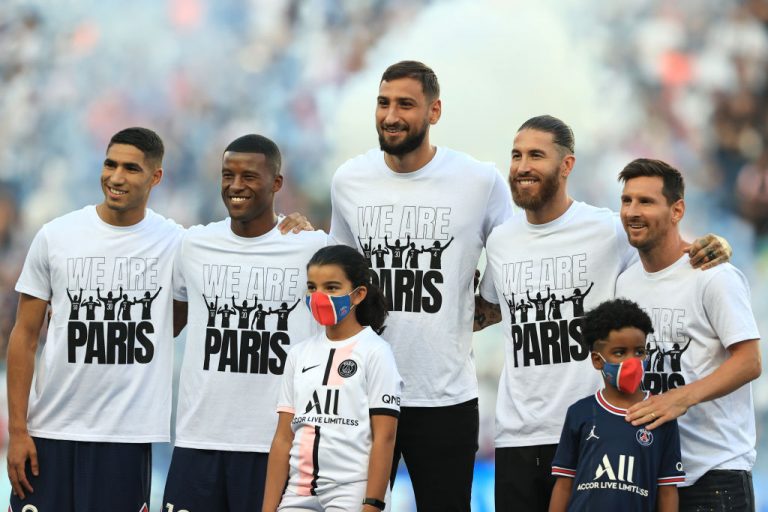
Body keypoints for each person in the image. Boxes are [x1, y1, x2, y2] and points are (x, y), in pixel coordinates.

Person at [474, 115, 731, 511]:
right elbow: (489, 310)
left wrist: (711, 245)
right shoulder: (502, 240)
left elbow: (666, 251)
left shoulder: (607, 230)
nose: (522, 166)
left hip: (595, 431)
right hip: (517, 439)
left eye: (536, 155)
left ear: (566, 165)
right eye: (516, 155)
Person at [329, 60, 513, 511]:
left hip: (445, 395)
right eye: (383, 102)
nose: (391, 115)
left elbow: (513, 249)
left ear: (434, 112)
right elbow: (337, 272)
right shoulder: (349, 180)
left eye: (405, 104)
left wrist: (486, 303)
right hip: (362, 389)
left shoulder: (479, 180)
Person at [7, 127, 183, 511]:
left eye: (131, 169)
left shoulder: (177, 242)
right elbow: (24, 336)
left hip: (126, 438)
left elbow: (178, 317)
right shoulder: (56, 236)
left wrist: (294, 225)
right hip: (48, 435)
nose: (116, 177)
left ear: (156, 177)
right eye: (110, 164)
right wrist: (17, 431)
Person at [163, 134, 327, 511]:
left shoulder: (311, 248)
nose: (236, 186)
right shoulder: (193, 245)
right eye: (227, 175)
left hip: (276, 444)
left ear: (277, 184)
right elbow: (167, 322)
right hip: (198, 441)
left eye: (250, 176)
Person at [615, 159, 762, 511]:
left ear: (677, 209)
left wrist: (680, 398)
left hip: (716, 476)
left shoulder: (713, 275)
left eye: (646, 201)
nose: (633, 211)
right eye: (627, 200)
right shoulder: (626, 282)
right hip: (653, 476)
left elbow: (750, 361)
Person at [262, 245, 402, 512]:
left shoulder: (376, 352)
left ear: (358, 294)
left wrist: (372, 504)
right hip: (298, 491)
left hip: (351, 489)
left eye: (332, 287)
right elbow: (282, 438)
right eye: (312, 288)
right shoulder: (298, 354)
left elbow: (385, 436)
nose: (319, 297)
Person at [549, 298, 685, 512]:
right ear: (597, 360)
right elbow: (564, 484)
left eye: (639, 352)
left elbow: (667, 490)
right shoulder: (580, 412)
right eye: (620, 352)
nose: (632, 361)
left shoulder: (660, 414)